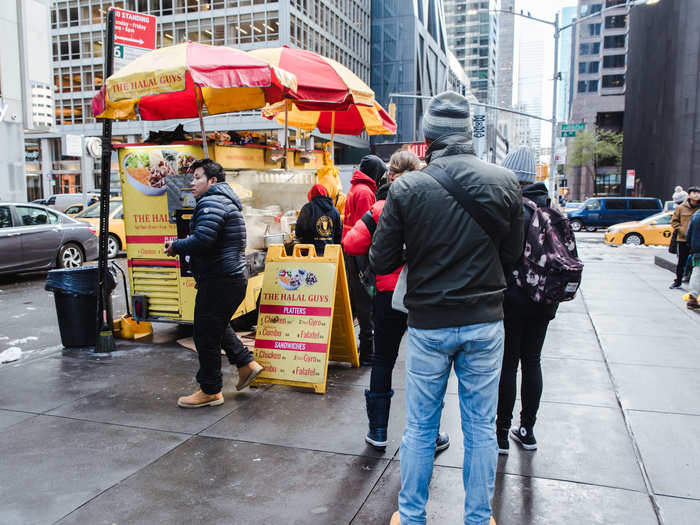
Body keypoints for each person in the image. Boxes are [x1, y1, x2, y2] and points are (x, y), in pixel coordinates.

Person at [370, 91, 523, 525]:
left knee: (420, 425)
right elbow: (513, 254)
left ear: (428, 135)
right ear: (468, 132)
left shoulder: (409, 188)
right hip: (484, 321)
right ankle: (478, 518)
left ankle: (412, 516)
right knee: (479, 426)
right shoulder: (504, 181)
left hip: (429, 323)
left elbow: (381, 261)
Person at [344, 150, 450, 453]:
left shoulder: (379, 208)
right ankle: (430, 433)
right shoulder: (429, 206)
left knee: (383, 360)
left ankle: (377, 432)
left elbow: (351, 243)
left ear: (388, 175)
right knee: (428, 366)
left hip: (387, 296)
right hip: (422, 294)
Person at [165, 159, 263, 408]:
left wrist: (176, 246)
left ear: (213, 181)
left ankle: (210, 390)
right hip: (228, 279)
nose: (192, 182)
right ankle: (246, 364)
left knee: (205, 334)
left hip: (219, 279)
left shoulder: (212, 202)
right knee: (216, 326)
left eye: (197, 177)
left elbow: (203, 239)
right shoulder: (223, 201)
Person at [495, 146, 559, 455]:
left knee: (508, 364)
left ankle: (501, 434)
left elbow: (504, 257)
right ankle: (528, 430)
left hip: (514, 298)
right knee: (532, 361)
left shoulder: (515, 209)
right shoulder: (551, 210)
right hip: (545, 300)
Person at [343, 155, 387, 365]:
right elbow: (367, 226)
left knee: (360, 298)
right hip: (360, 253)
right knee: (367, 299)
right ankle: (368, 350)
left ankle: (366, 345)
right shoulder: (365, 192)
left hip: (351, 251)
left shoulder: (356, 188)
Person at [294, 183, 342, 256]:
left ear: (311, 195)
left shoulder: (307, 208)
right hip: (330, 253)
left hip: (311, 253)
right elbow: (339, 233)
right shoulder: (335, 211)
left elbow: (298, 232)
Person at [670, 186, 700, 289]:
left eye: (698, 193)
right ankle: (678, 281)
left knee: (696, 263)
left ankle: (693, 282)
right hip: (683, 239)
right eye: (694, 192)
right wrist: (683, 231)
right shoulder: (681, 207)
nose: (696, 195)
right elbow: (674, 222)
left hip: (697, 240)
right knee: (681, 262)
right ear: (689, 194)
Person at [685, 208, 700, 310]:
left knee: (697, 272)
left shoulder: (696, 214)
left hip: (697, 250)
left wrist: (692, 247)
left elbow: (688, 235)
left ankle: (692, 298)